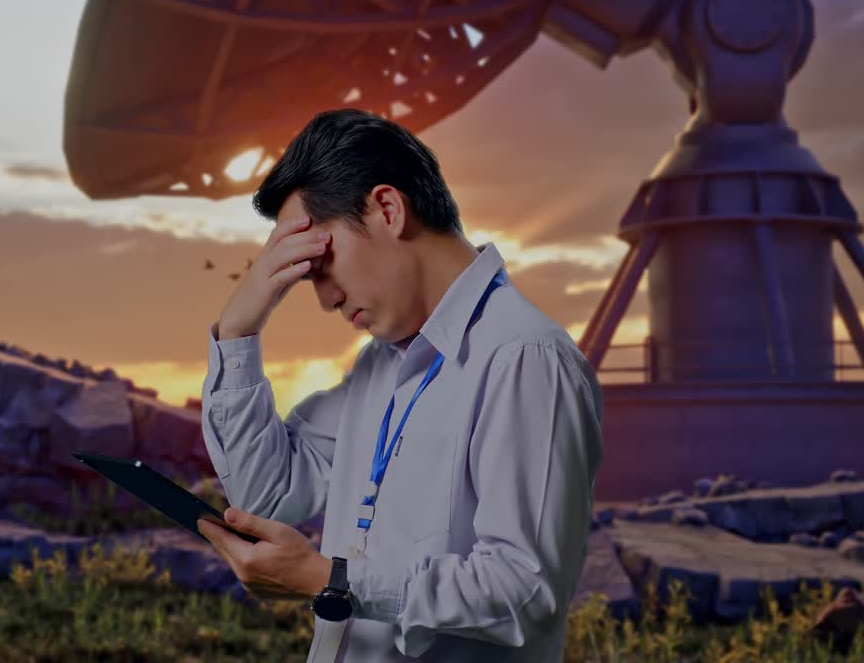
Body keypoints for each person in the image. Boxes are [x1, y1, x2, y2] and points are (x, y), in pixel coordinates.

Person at [196, 108, 604, 662]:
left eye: (321, 263)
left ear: (387, 209)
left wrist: (332, 581)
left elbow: (524, 591)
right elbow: (269, 496)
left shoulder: (526, 358)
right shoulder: (381, 366)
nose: (326, 299)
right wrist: (238, 333)